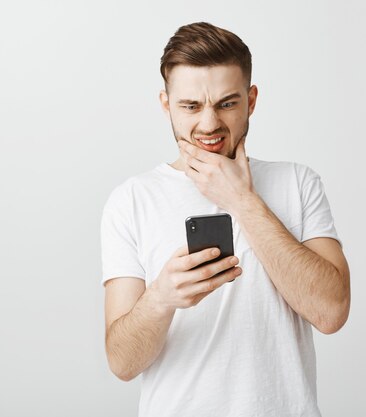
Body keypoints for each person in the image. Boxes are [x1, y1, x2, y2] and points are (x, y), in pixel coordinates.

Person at [100, 21, 350, 417]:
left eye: (227, 103)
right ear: (166, 104)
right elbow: (122, 363)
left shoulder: (298, 183)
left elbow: (331, 312)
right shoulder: (131, 200)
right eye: (190, 106)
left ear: (251, 100)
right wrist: (162, 298)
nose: (209, 124)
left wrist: (242, 200)